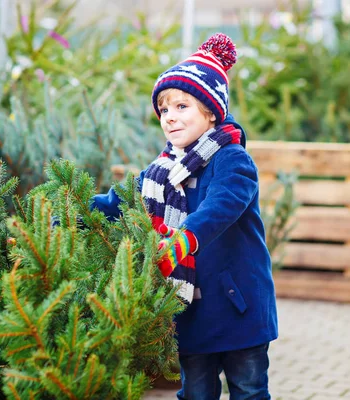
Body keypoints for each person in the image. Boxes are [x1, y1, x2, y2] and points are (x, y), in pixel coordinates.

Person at [91, 33, 278, 400]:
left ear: (210, 112)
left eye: (182, 107)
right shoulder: (161, 171)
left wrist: (184, 239)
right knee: (195, 393)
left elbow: (221, 206)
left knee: (248, 389)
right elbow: (120, 201)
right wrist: (74, 213)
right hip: (191, 308)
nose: (169, 117)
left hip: (239, 304)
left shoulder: (232, 160)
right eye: (164, 109)